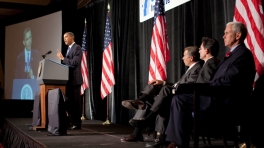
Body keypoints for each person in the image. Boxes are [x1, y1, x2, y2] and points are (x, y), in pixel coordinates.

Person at [165, 22, 256, 148]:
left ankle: (177, 143)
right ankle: (175, 141)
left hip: (225, 100)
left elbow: (229, 81)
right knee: (177, 97)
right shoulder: (232, 55)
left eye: (226, 33)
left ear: (238, 35)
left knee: (180, 99)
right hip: (216, 96)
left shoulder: (242, 55)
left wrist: (207, 87)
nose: (223, 36)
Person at [121, 46, 204, 142]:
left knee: (157, 103)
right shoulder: (192, 68)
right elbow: (179, 84)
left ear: (191, 58)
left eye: (184, 55)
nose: (182, 58)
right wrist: (163, 83)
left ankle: (145, 128)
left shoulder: (197, 68)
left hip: (180, 97)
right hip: (173, 93)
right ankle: (140, 100)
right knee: (154, 85)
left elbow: (187, 86)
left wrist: (167, 86)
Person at [57, 32, 83, 130]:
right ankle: (71, 121)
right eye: (64, 37)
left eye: (66, 37)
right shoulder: (69, 49)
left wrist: (63, 58)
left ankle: (77, 123)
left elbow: (75, 63)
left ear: (72, 37)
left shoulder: (77, 47)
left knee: (76, 103)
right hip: (68, 80)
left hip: (75, 80)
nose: (64, 39)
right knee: (69, 103)